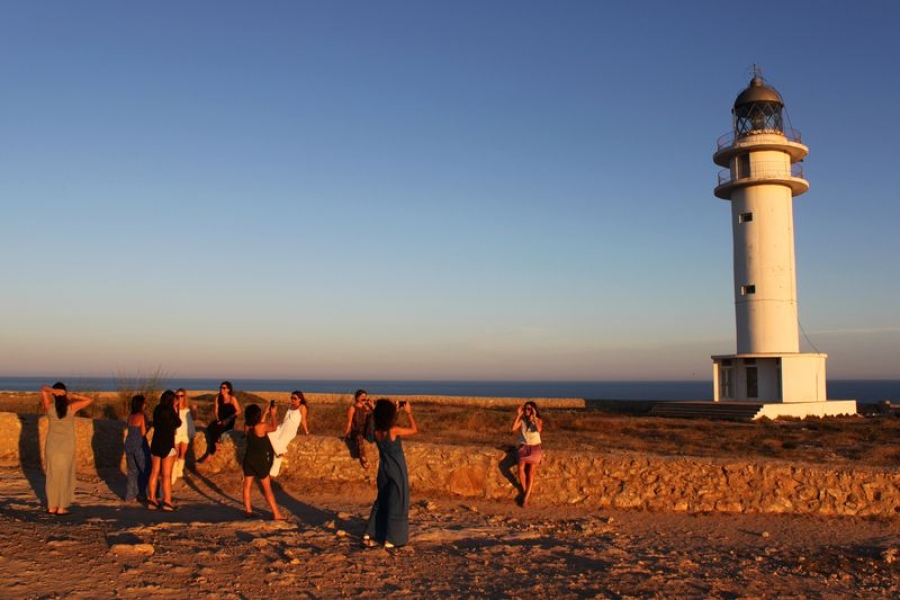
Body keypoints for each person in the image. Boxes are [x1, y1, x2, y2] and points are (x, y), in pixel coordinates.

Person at [363, 399, 417, 549]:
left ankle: (370, 533)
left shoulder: (377, 432)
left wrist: (376, 410)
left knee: (382, 500)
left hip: (383, 470)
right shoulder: (393, 431)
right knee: (398, 501)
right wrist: (409, 413)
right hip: (396, 469)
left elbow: (380, 422)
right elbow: (414, 429)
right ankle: (392, 539)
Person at [39, 382, 94, 515]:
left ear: (55, 395)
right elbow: (89, 400)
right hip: (66, 446)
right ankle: (61, 507)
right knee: (65, 475)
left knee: (52, 475)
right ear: (64, 395)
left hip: (52, 446)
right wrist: (71, 395)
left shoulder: (49, 408)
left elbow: (42, 389)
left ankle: (52, 506)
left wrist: (53, 391)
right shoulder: (71, 408)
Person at [241, 403, 284, 520]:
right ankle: (277, 514)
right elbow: (274, 427)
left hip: (248, 459)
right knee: (267, 489)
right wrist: (273, 414)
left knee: (247, 486)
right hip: (260, 461)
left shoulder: (246, 426)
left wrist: (265, 413)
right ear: (257, 415)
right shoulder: (262, 426)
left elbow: (258, 425)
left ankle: (248, 511)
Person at [147, 389, 182, 511]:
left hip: (156, 443)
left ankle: (152, 500)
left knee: (154, 472)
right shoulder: (170, 410)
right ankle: (167, 501)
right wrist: (176, 409)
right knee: (166, 475)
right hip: (167, 444)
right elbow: (178, 423)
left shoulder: (157, 409)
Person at [267, 390, 309, 477]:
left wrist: (306, 431)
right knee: (269, 433)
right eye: (291, 397)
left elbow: (303, 420)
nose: (292, 399)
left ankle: (273, 472)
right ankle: (280, 452)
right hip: (283, 426)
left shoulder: (302, 407)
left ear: (300, 399)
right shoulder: (290, 406)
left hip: (291, 428)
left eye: (294, 398)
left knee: (280, 443)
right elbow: (285, 419)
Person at [199, 381, 241, 462]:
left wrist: (229, 418)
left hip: (229, 421)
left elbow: (239, 411)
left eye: (224, 388)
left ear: (228, 389)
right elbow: (216, 411)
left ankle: (210, 454)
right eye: (221, 387)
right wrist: (218, 420)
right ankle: (215, 445)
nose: (222, 389)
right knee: (210, 429)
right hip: (220, 420)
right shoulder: (218, 398)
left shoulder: (232, 398)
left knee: (217, 430)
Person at [511, 401, 543, 506]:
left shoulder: (538, 420)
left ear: (534, 410)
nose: (526, 411)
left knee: (530, 473)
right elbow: (513, 428)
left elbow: (539, 429)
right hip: (523, 447)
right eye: (525, 409)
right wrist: (518, 415)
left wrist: (534, 417)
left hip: (535, 448)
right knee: (520, 470)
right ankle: (525, 494)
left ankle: (526, 498)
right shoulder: (522, 420)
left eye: (529, 409)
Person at [124, 394, 151, 503]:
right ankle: (145, 494)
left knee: (132, 471)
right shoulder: (141, 416)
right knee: (145, 469)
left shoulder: (130, 416)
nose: (145, 404)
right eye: (144, 403)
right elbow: (143, 433)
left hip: (129, 443)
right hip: (138, 444)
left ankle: (130, 496)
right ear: (140, 404)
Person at [171, 388, 196, 483]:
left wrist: (194, 410)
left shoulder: (188, 409)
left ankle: (179, 471)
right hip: (176, 432)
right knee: (175, 453)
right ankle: (174, 473)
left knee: (183, 453)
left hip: (185, 432)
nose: (179, 397)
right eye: (177, 396)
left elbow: (194, 418)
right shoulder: (173, 407)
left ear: (185, 397)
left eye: (181, 396)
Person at [344, 389, 373, 469]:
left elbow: (375, 417)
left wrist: (371, 406)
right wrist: (346, 434)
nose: (364, 398)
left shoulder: (367, 408)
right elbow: (349, 422)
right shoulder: (352, 408)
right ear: (357, 398)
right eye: (362, 396)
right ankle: (363, 459)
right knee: (359, 437)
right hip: (356, 431)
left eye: (365, 396)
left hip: (365, 430)